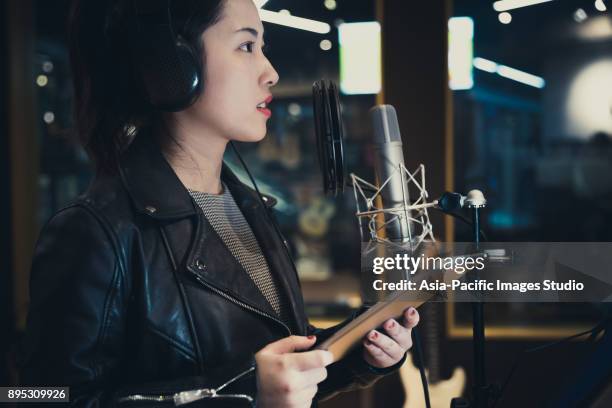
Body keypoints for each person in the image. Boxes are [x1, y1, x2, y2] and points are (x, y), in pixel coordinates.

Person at [20, 0, 420, 406]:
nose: (271, 72)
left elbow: (278, 362)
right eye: (246, 47)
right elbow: (33, 398)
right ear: (174, 67)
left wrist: (361, 353)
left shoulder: (248, 208)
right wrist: (243, 393)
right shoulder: (94, 231)